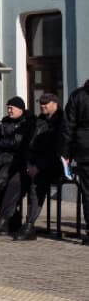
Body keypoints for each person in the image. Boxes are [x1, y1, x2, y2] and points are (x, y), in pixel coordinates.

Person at [0, 96, 34, 235]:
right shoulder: (5, 121)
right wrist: (1, 142)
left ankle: (4, 221)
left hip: (14, 161)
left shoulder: (26, 123)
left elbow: (17, 143)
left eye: (12, 108)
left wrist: (1, 142)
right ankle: (9, 212)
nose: (9, 110)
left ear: (20, 109)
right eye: (8, 107)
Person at [13, 93, 64, 240]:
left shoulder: (62, 121)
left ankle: (29, 226)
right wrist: (30, 164)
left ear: (55, 103)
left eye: (45, 103)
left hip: (53, 166)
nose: (42, 105)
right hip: (35, 164)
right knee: (14, 180)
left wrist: (39, 167)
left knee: (36, 185)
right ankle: (10, 220)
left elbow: (57, 150)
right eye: (41, 103)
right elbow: (31, 144)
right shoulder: (39, 121)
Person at [62, 78, 89, 245]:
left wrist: (66, 154)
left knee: (88, 192)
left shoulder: (77, 96)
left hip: (85, 150)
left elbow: (68, 127)